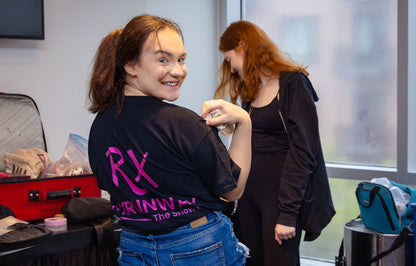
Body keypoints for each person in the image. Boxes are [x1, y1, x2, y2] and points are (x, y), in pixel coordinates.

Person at [87, 14, 251, 266]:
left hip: (134, 245)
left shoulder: (100, 127)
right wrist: (244, 124)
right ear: (130, 65)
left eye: (181, 59)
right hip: (199, 244)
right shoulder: (184, 124)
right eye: (163, 59)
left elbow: (110, 187)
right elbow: (232, 190)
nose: (178, 71)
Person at [215, 20, 335, 266]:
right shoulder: (252, 90)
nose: (231, 67)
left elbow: (304, 152)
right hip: (248, 197)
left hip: (279, 199)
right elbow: (253, 141)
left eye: (229, 59)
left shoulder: (293, 84)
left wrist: (288, 213)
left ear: (242, 46)